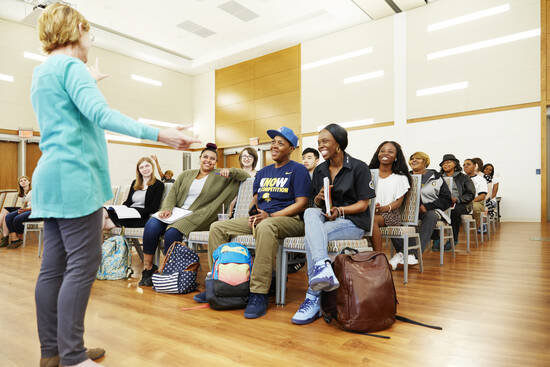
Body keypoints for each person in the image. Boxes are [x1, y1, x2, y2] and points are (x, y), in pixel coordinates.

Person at [31, 4, 198, 367]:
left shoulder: (43, 72)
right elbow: (102, 116)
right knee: (82, 265)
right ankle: (73, 356)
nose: (91, 40)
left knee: (53, 268)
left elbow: (69, 114)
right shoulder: (71, 67)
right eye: (90, 33)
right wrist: (161, 134)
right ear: (78, 28)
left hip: (50, 177)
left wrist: (87, 80)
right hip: (75, 178)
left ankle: (53, 353)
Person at [198, 127, 311, 319]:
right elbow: (256, 197)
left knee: (265, 226)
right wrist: (253, 211)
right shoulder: (264, 172)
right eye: (273, 142)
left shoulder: (298, 170)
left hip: (290, 220)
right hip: (263, 217)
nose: (275, 146)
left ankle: (258, 292)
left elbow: (301, 204)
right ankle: (219, 283)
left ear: (291, 148)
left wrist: (271, 216)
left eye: (280, 143)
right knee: (217, 228)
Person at [291, 124, 375, 325]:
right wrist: (319, 200)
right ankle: (322, 266)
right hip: (329, 219)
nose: (321, 145)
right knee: (311, 212)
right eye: (319, 142)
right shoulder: (320, 170)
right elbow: (314, 204)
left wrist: (341, 211)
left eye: (325, 141)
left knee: (315, 235)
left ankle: (312, 297)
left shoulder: (359, 167)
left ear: (339, 143)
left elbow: (364, 203)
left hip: (353, 222)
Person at [140, 143, 250, 286]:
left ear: (216, 162)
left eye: (212, 159)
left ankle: (170, 272)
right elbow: (172, 193)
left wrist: (231, 171)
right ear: (200, 158)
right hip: (176, 212)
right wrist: (167, 208)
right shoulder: (186, 174)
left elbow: (245, 175)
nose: (208, 161)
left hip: (199, 215)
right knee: (152, 225)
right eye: (205, 157)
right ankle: (148, 268)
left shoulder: (219, 175)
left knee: (172, 233)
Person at [388, 152, 453, 269]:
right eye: (412, 159)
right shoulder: (404, 177)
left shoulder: (436, 177)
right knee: (390, 217)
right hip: (406, 211)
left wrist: (427, 206)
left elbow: (447, 199)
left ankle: (413, 255)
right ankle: (403, 253)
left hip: (429, 210)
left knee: (431, 216)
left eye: (418, 158)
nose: (414, 160)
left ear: (425, 162)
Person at [368, 141, 412, 251]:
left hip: (390, 213)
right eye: (382, 151)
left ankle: (378, 257)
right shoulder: (369, 174)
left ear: (396, 157)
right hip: (369, 211)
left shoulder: (400, 177)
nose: (385, 153)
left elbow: (398, 202)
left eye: (390, 152)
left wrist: (383, 208)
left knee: (371, 221)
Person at [102, 157, 164, 230]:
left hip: (140, 217)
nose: (145, 169)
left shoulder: (159, 184)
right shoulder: (135, 182)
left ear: (152, 167)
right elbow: (128, 202)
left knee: (105, 224)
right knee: (102, 211)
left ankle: (92, 241)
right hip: (127, 213)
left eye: (147, 166)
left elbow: (154, 208)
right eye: (141, 167)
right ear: (139, 170)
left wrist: (133, 211)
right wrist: (120, 209)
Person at [439, 154, 475, 247]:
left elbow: (470, 194)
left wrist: (458, 199)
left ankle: (453, 239)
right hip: (443, 203)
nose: (446, 164)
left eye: (448, 162)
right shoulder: (439, 177)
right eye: (444, 163)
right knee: (432, 211)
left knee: (454, 211)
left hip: (461, 203)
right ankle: (437, 239)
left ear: (455, 164)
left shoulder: (464, 177)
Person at [0, 176, 31, 247]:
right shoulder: (23, 192)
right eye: (21, 181)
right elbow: (25, 204)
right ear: (19, 184)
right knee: (5, 212)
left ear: (29, 182)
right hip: (25, 208)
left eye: (25, 180)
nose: (23, 182)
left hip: (31, 209)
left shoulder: (33, 191)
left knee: (10, 216)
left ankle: (11, 238)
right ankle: (7, 238)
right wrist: (23, 209)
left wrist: (25, 209)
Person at [227, 147, 259, 217]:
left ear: (254, 159)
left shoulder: (259, 174)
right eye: (244, 156)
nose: (246, 158)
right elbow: (233, 196)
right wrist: (229, 212)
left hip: (254, 209)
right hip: (237, 209)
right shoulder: (235, 175)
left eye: (250, 156)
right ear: (240, 158)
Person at [463, 159, 488, 231]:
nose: (465, 166)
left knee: (475, 207)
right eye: (464, 165)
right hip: (463, 201)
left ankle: (480, 225)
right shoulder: (461, 179)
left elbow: (482, 196)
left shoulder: (480, 179)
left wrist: (470, 201)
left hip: (476, 201)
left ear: (474, 166)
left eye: (468, 164)